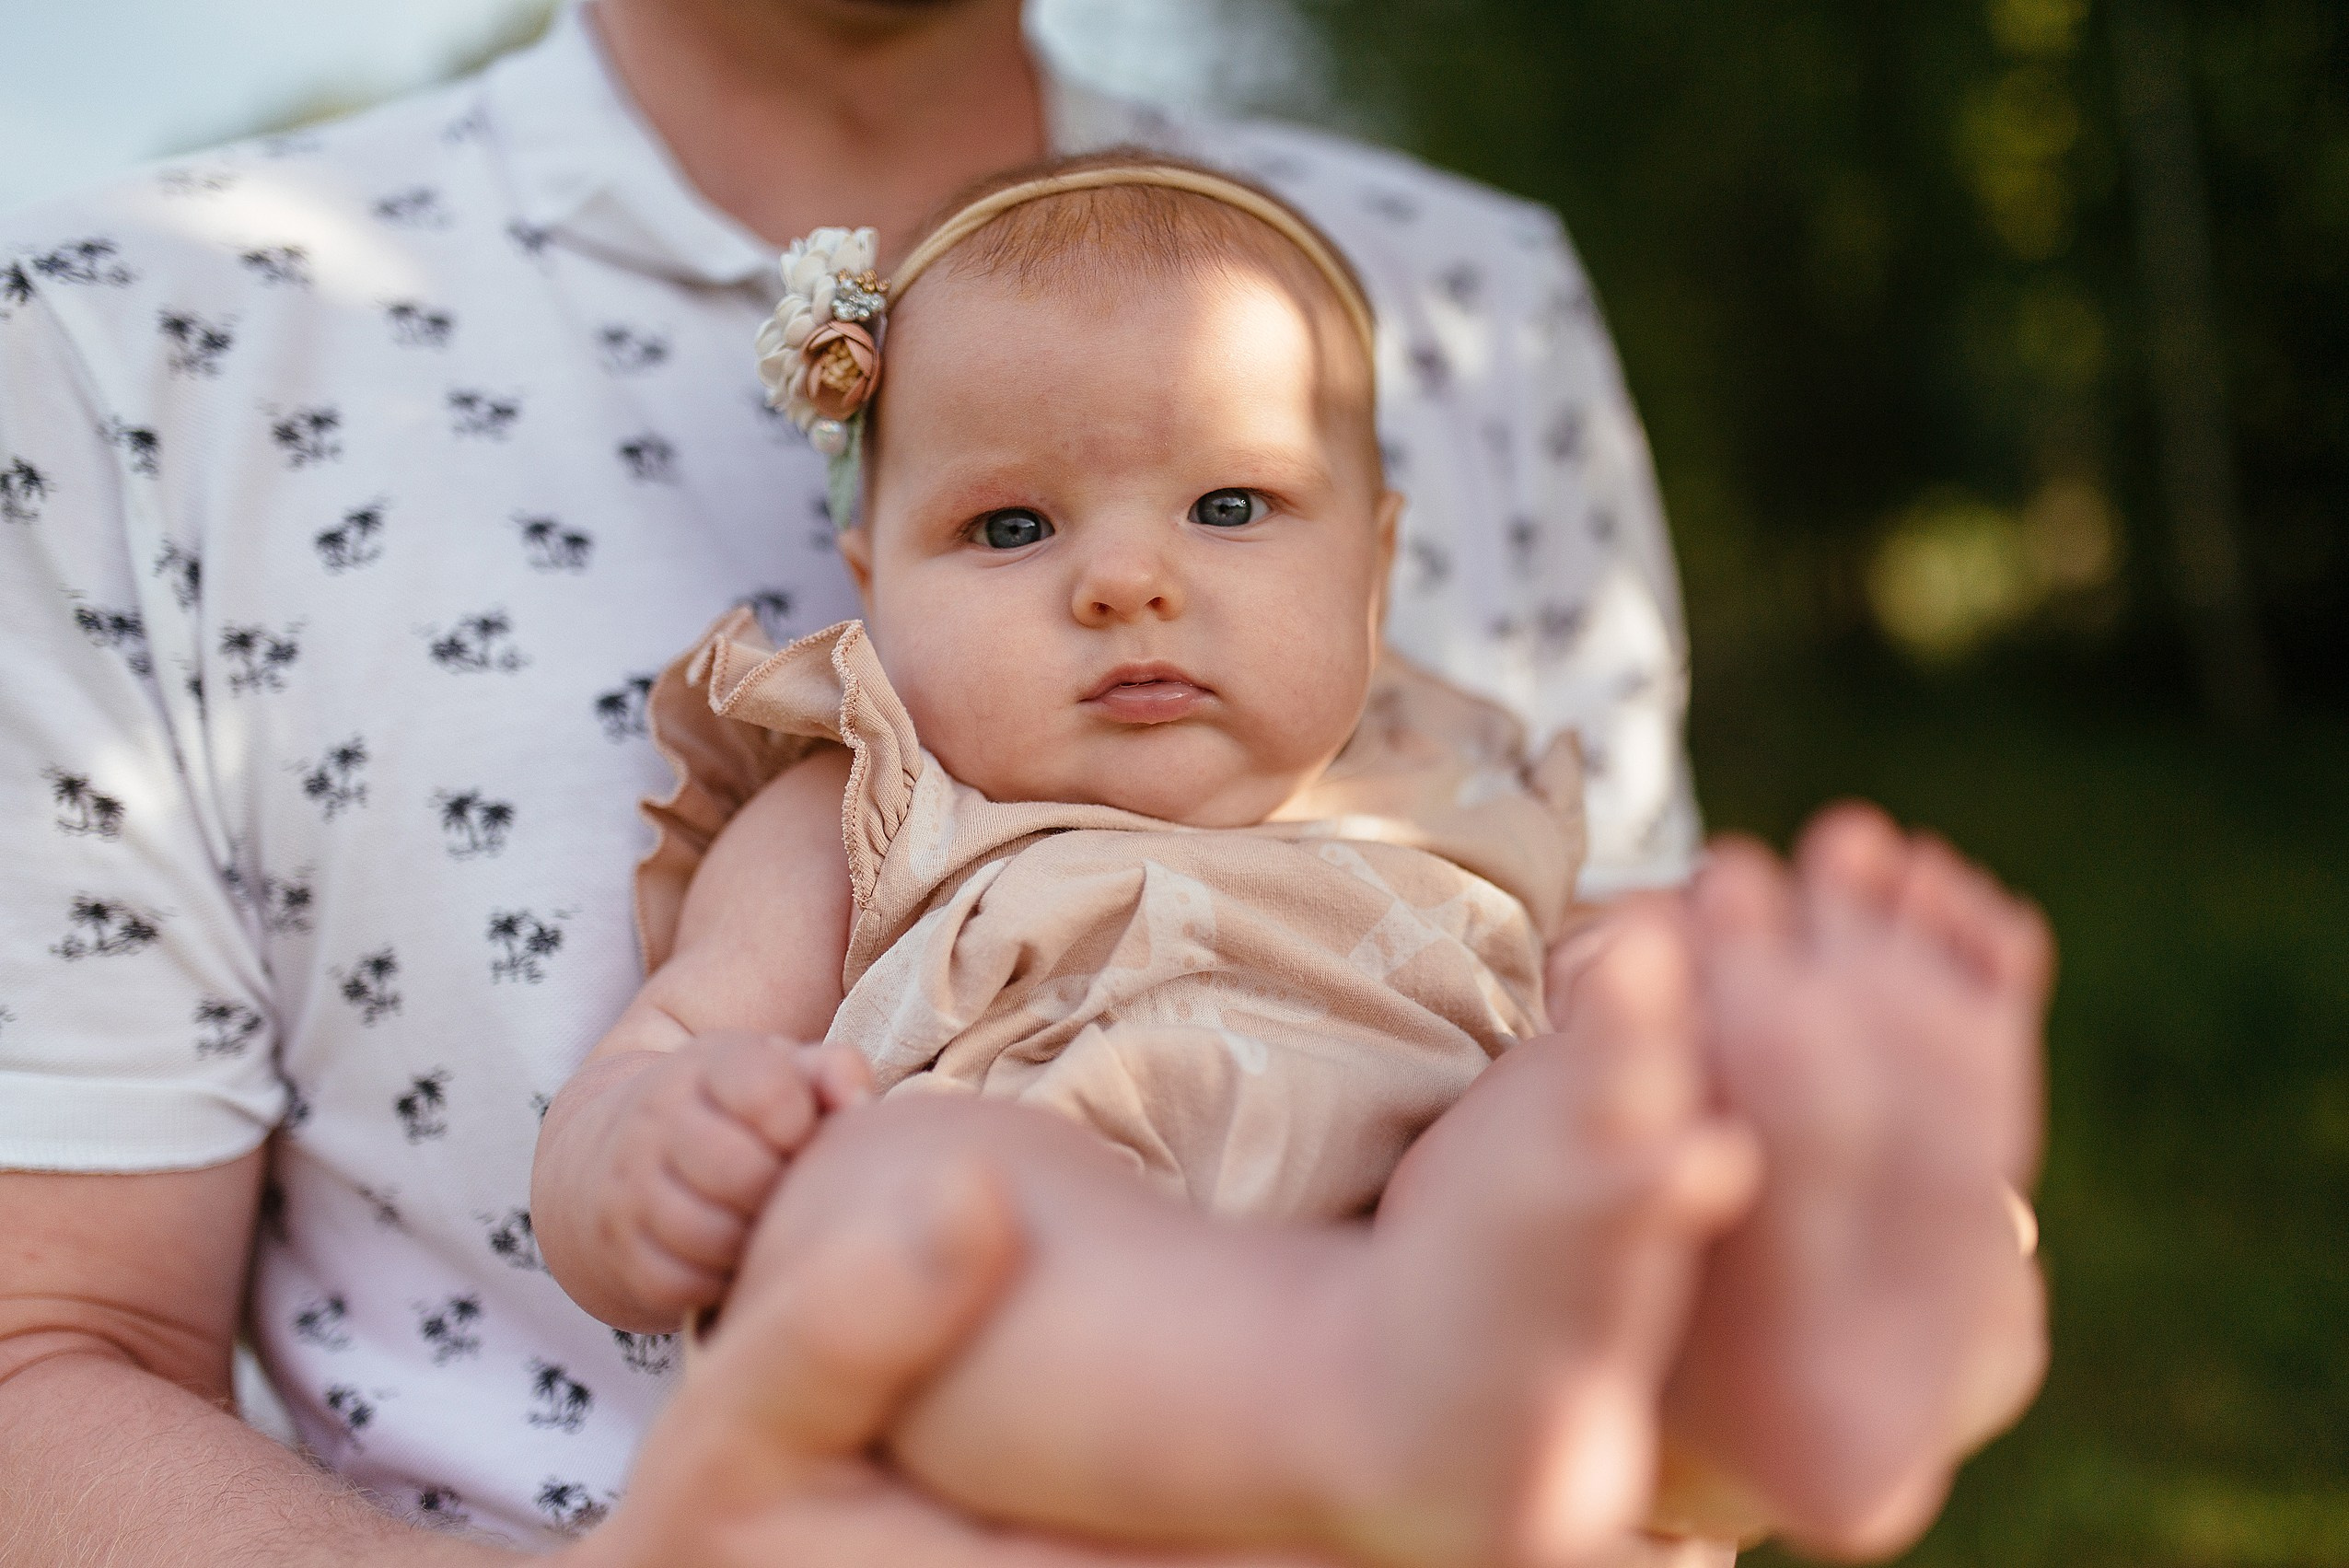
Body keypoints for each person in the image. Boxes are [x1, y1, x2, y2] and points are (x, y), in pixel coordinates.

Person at [0, 0, 2043, 1562]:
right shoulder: (862, 796)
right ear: (859, 579)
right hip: (1037, 1272)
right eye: (1009, 536)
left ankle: (1788, 1370)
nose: (1133, 578)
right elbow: (676, 1049)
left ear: (1383, 558)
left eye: (1236, 505)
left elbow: (1591, 952)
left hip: (1451, 1266)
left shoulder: (1451, 723)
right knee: (902, 1198)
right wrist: (657, 1155)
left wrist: (1682, 1028)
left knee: (1560, 1136)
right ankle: (1379, 1399)